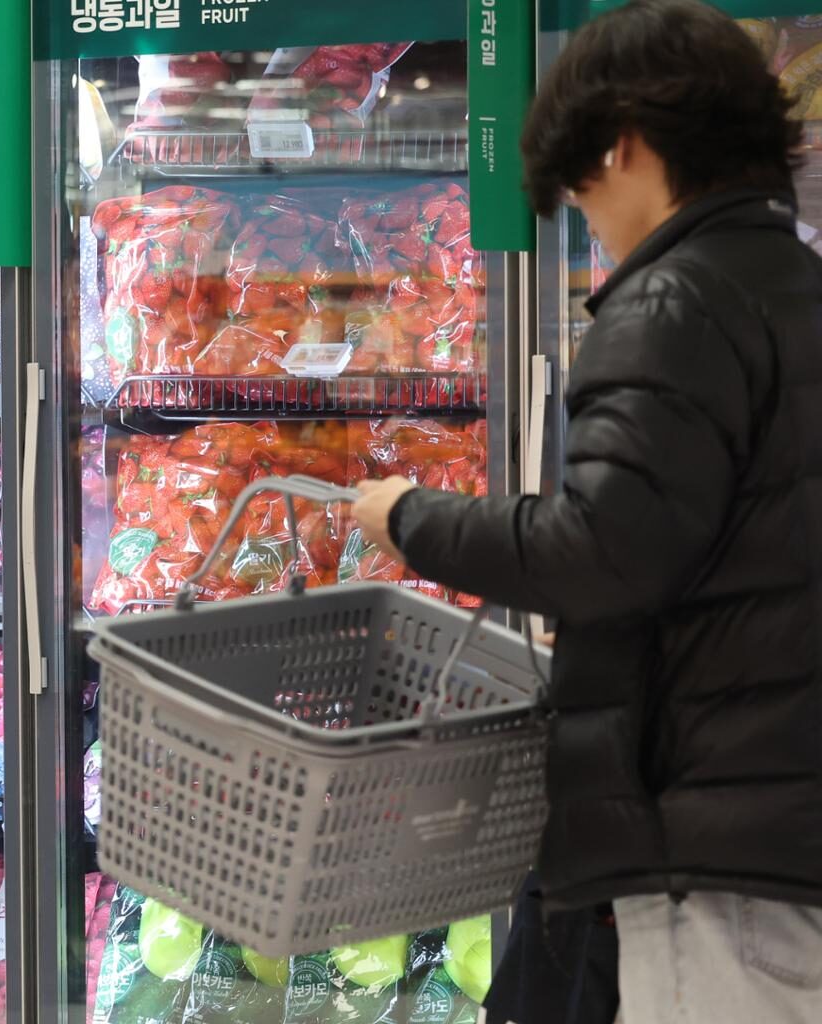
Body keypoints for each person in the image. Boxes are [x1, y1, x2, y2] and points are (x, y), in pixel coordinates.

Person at [350, 0, 822, 1020]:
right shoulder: (798, 288)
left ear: (625, 145)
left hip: (712, 855)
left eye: (580, 185)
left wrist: (410, 518)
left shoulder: (675, 301)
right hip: (782, 836)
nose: (587, 219)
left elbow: (607, 549)